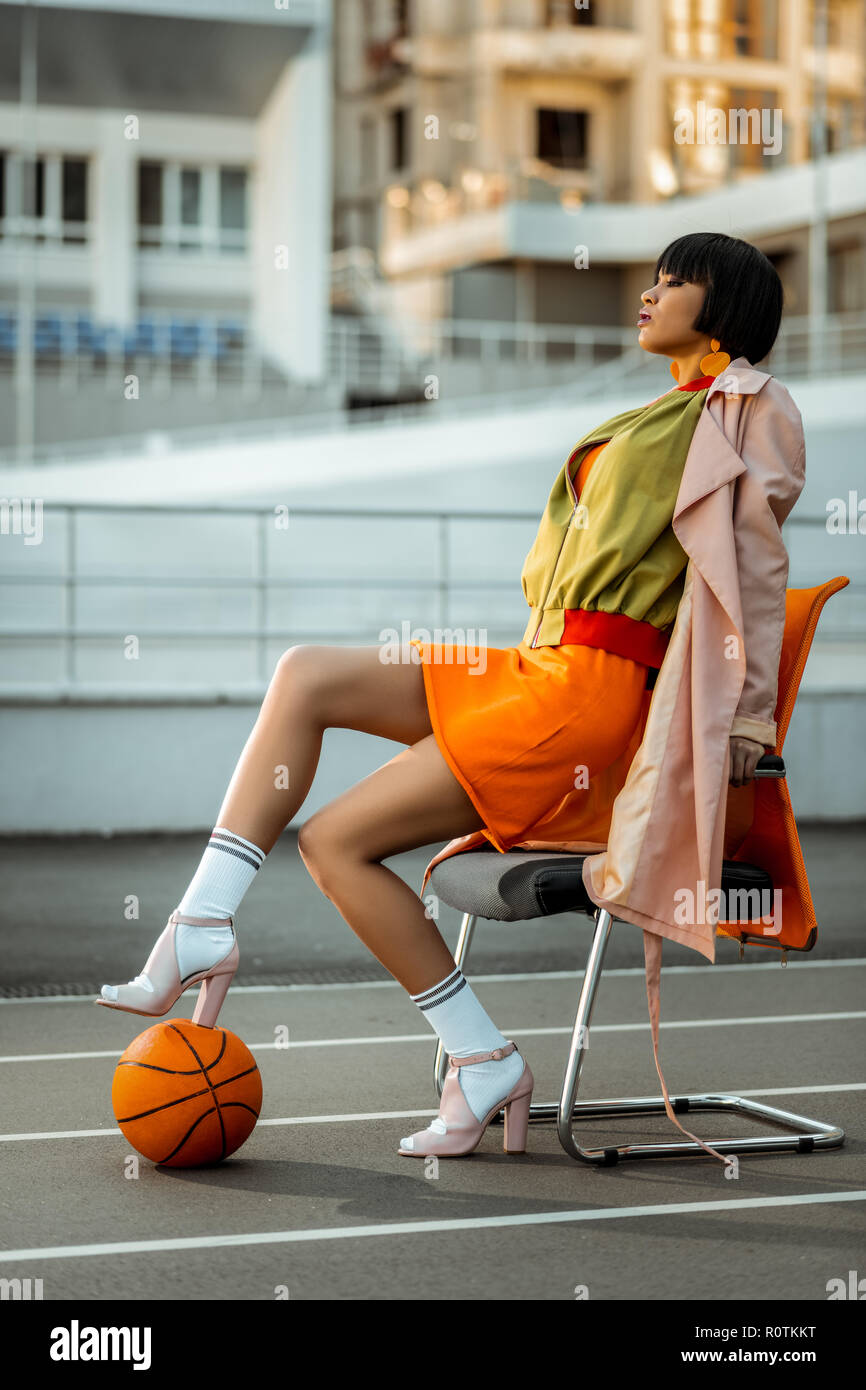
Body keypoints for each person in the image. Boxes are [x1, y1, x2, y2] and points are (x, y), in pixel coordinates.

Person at [96, 231, 796, 1160]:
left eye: (675, 281)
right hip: (538, 665)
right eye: (654, 275)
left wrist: (749, 712)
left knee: (334, 842)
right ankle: (201, 923)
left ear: (726, 306)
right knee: (306, 672)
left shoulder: (750, 406)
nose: (650, 292)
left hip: (588, 699)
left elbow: (753, 566)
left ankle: (482, 1056)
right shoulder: (658, 412)